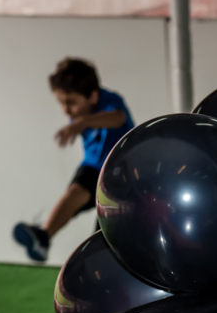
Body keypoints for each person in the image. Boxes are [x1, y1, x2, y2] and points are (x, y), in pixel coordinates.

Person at [13, 58, 134, 263]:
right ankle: (43, 238)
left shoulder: (109, 101)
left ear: (93, 96)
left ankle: (106, 259)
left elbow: (117, 118)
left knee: (106, 233)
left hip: (121, 173)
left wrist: (83, 122)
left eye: (70, 102)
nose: (65, 110)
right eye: (61, 102)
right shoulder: (80, 114)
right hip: (93, 168)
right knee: (75, 192)